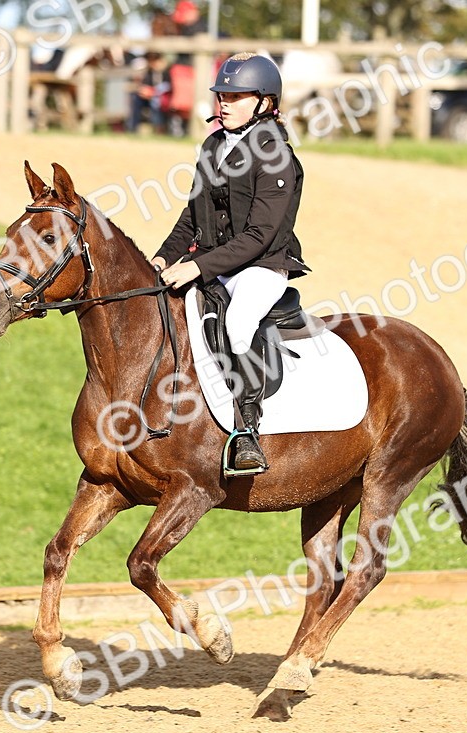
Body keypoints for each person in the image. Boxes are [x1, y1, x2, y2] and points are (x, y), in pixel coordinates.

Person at [152, 52, 308, 474]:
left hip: (262, 266)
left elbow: (259, 236)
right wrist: (165, 256)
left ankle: (247, 430)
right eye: (222, 94)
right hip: (216, 263)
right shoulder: (213, 145)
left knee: (238, 322)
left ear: (264, 102)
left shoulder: (275, 155)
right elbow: (192, 217)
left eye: (236, 95)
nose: (224, 102)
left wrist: (197, 268)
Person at [127, 51, 169, 134]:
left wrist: (154, 92)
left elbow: (167, 86)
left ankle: (159, 129)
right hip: (147, 98)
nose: (152, 63)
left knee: (155, 101)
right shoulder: (149, 72)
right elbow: (144, 85)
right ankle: (132, 128)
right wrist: (143, 90)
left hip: (162, 98)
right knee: (135, 98)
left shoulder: (167, 72)